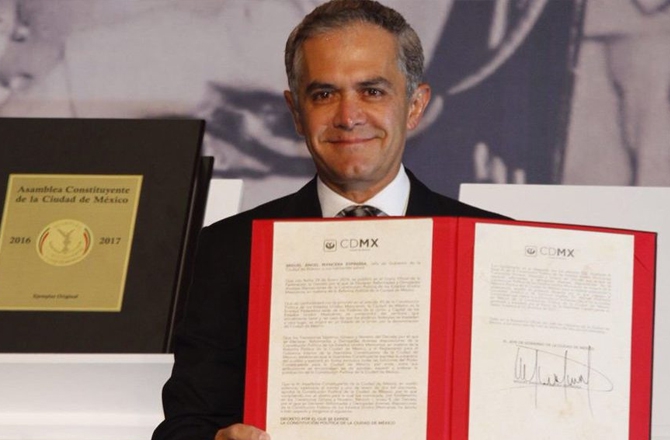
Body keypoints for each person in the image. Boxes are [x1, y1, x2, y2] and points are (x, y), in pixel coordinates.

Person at [152, 1, 506, 439]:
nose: (348, 116)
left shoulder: (492, 249)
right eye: (323, 94)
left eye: (372, 91)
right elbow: (184, 426)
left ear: (415, 105)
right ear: (296, 113)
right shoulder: (229, 250)